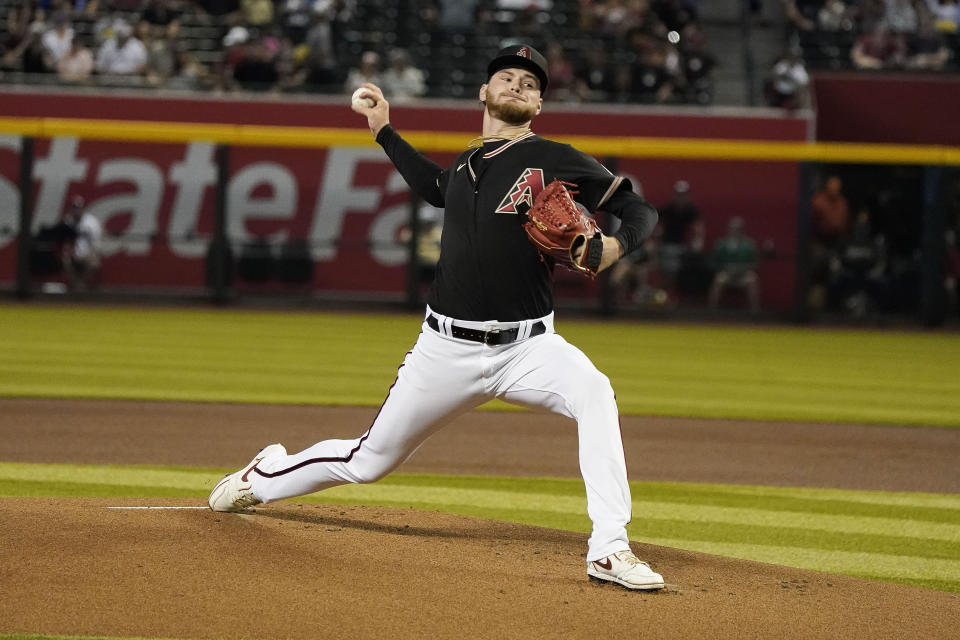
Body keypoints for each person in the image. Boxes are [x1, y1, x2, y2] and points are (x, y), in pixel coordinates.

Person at [208, 44, 665, 592]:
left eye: (529, 82)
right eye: (506, 77)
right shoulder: (470, 164)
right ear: (484, 92)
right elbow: (434, 187)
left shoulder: (556, 158)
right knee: (368, 462)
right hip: (445, 351)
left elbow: (639, 208)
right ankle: (263, 476)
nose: (517, 85)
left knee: (595, 391)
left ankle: (610, 548)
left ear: (539, 103)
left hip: (528, 348)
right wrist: (383, 128)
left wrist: (616, 246)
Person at [657, 179, 705, 294]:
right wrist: (657, 233)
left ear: (687, 196)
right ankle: (662, 296)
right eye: (678, 195)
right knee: (664, 271)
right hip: (665, 245)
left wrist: (698, 241)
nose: (680, 197)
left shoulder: (691, 211)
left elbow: (699, 227)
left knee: (675, 272)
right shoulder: (668, 209)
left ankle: (670, 296)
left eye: (683, 195)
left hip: (681, 247)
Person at [707, 216, 760, 314]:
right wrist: (726, 267)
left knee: (752, 279)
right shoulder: (721, 244)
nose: (735, 231)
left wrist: (742, 268)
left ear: (742, 230)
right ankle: (712, 311)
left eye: (738, 229)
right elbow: (714, 262)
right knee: (719, 279)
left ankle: (754, 312)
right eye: (732, 229)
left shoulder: (749, 245)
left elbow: (755, 264)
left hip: (743, 275)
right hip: (727, 273)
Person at [61, 196, 103, 291]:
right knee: (65, 259)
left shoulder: (91, 222)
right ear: (71, 208)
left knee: (94, 259)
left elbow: (96, 244)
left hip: (88, 254)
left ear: (83, 208)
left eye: (78, 208)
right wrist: (71, 253)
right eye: (74, 207)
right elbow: (64, 243)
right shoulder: (67, 221)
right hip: (72, 255)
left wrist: (85, 255)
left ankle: (79, 288)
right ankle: (79, 288)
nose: (76, 210)